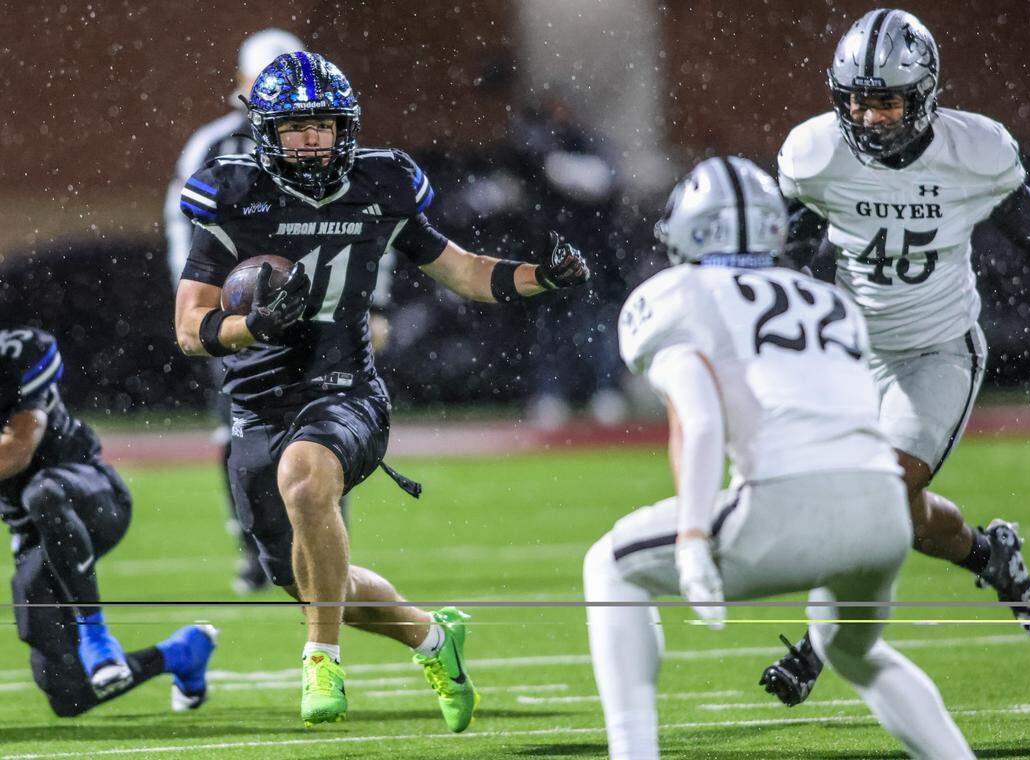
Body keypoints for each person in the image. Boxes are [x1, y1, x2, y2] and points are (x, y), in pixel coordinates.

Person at [172, 52, 591, 729]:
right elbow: (190, 329)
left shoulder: (381, 184)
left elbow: (466, 272)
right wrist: (253, 325)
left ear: (348, 128)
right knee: (301, 578)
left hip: (346, 388)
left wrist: (542, 277)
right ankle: (431, 635)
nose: (312, 140)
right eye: (295, 127)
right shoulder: (232, 195)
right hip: (258, 397)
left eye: (325, 126)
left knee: (306, 481)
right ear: (265, 133)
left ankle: (320, 660)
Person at [585, 157, 974, 759]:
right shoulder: (826, 300)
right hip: (881, 512)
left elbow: (702, 419)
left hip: (783, 504)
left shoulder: (673, 296)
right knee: (855, 652)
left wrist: (692, 539)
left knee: (610, 566)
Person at [761, 9, 1030, 705]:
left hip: (934, 352)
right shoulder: (816, 154)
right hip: (845, 356)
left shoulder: (974, 152)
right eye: (856, 101)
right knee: (898, 513)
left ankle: (814, 653)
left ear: (925, 94)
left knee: (872, 494)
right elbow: (787, 247)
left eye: (885, 100)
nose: (869, 117)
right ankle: (989, 554)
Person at [0, 326, 217, 717]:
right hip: (29, 533)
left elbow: (16, 451)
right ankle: (181, 654)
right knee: (67, 694)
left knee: (43, 494)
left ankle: (96, 636)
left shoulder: (19, 351)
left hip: (89, 495)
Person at [163, 28, 305, 594]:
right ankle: (254, 544)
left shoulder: (326, 137)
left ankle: (322, 532)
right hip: (235, 311)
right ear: (244, 83)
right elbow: (183, 223)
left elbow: (370, 224)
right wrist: (194, 298)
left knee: (322, 421)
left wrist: (372, 303)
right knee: (238, 430)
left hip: (311, 311)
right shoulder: (213, 145)